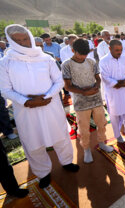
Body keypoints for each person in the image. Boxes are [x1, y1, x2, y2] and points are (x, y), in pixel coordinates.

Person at [0, 24, 79, 189]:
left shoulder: (45, 58)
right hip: (26, 111)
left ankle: (66, 162)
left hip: (50, 105)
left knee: (60, 136)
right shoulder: (6, 62)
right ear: (11, 42)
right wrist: (27, 101)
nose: (23, 42)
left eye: (26, 38)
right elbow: (5, 89)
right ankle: (43, 173)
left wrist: (46, 97)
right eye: (18, 40)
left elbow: (58, 81)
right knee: (33, 143)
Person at [62, 39, 113, 163]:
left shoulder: (91, 61)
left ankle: (102, 142)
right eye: (81, 54)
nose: (83, 57)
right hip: (81, 102)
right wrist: (84, 92)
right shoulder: (66, 65)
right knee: (84, 128)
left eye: (86, 54)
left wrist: (96, 86)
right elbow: (67, 87)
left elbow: (98, 78)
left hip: (96, 99)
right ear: (73, 51)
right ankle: (86, 149)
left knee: (102, 123)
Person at [99, 39, 125, 144]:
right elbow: (105, 77)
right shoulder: (103, 61)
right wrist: (118, 83)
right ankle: (117, 134)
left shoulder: (124, 58)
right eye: (116, 50)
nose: (119, 52)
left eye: (120, 50)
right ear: (110, 49)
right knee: (115, 114)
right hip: (113, 91)